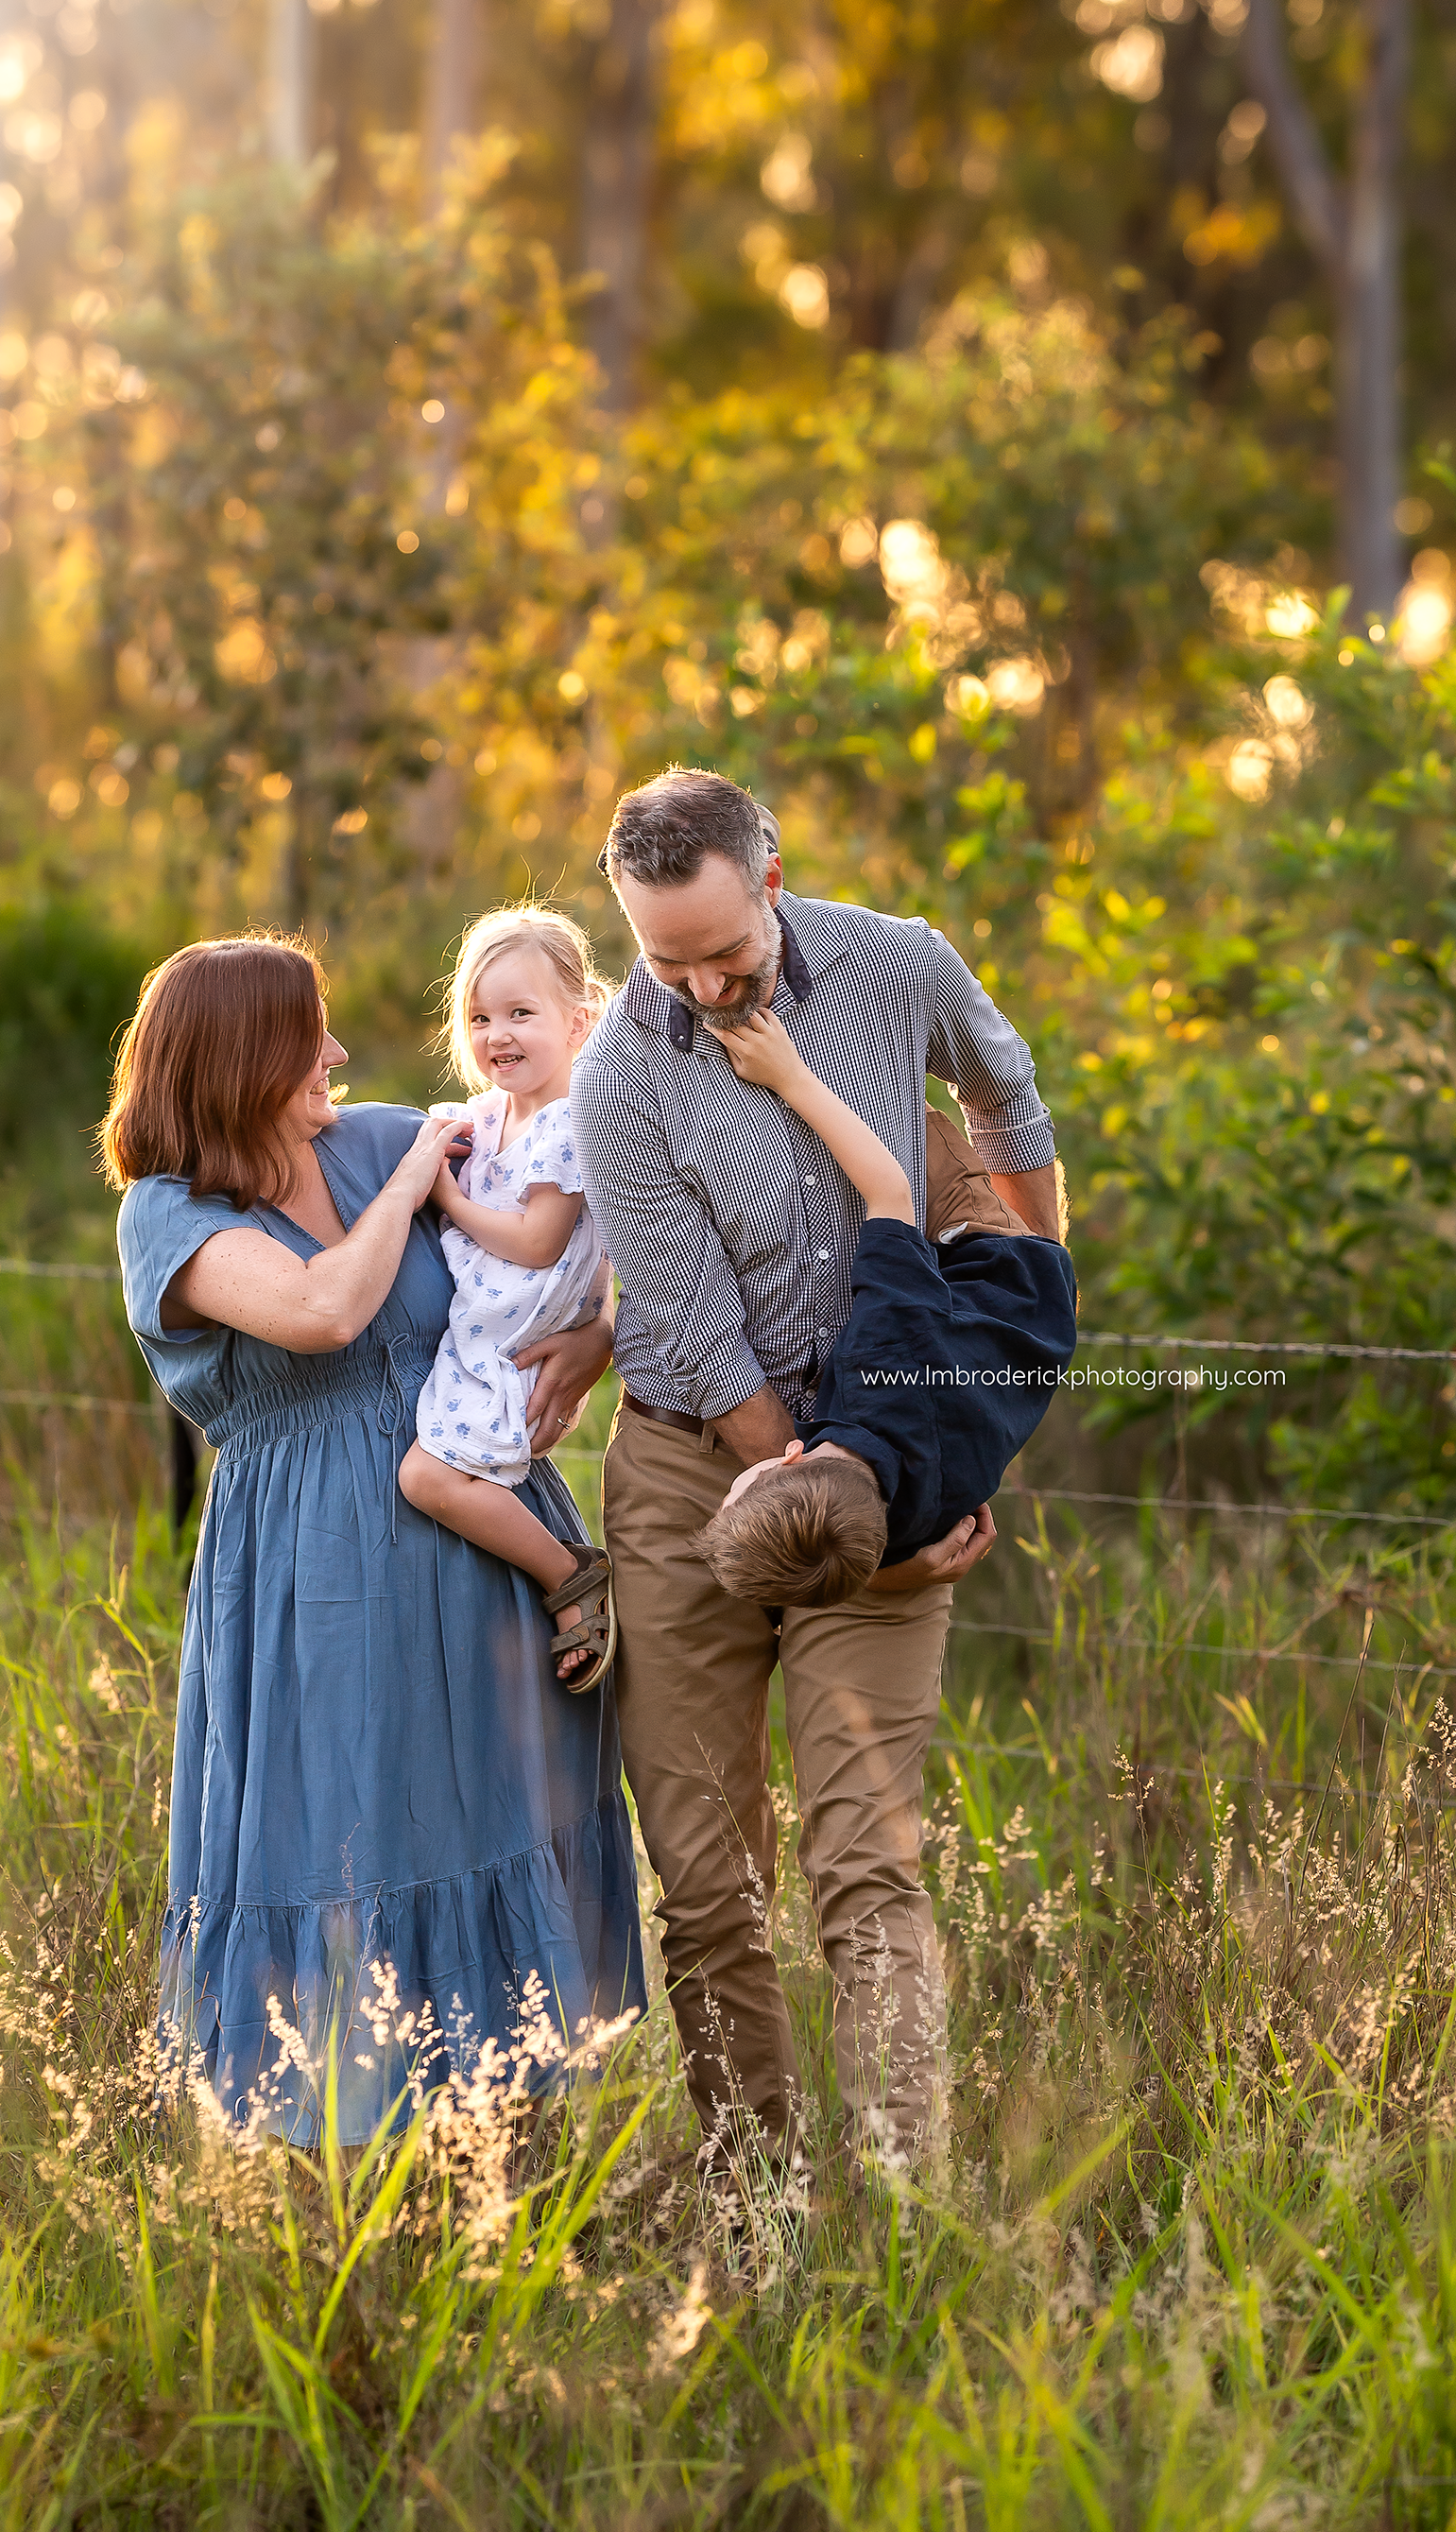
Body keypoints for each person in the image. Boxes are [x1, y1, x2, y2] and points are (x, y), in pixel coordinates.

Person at [570, 766, 1062, 2175]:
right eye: (666, 960)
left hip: (891, 1448)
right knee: (709, 1881)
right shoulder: (619, 1075)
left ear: (771, 872)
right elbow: (711, 1351)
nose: (704, 986)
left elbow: (1007, 1100)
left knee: (868, 1865)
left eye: (724, 951)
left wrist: (1007, 1340)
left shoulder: (898, 964)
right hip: (692, 1473)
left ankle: (904, 2212)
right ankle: (758, 2208)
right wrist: (856, 1519)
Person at [100, 933, 644, 2144]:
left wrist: (602, 1334)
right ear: (244, 1060)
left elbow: (586, 1214)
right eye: (310, 1036)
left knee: (495, 1820)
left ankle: (514, 2185)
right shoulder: (169, 1215)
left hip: (486, 1539)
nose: (339, 1055)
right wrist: (409, 1186)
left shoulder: (383, 1127)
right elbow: (322, 1309)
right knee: (347, 1836)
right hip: (319, 1575)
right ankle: (349, 2214)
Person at [694, 1007, 1078, 1605]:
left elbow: (871, 1565)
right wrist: (788, 1076)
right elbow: (891, 1192)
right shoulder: (878, 1362)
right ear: (790, 1457)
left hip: (1027, 1353)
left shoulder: (897, 1533)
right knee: (886, 1115)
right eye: (734, 1489)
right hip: (1004, 1271)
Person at [398, 908, 618, 1693]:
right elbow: (457, 1132)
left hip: (513, 1341)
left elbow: (539, 1242)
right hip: (481, 1329)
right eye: (481, 1017)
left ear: (578, 1020)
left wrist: (447, 1200)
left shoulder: (569, 1123)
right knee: (445, 1477)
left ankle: (571, 1579)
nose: (499, 1035)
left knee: (426, 1479)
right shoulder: (493, 1112)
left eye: (521, 1013)